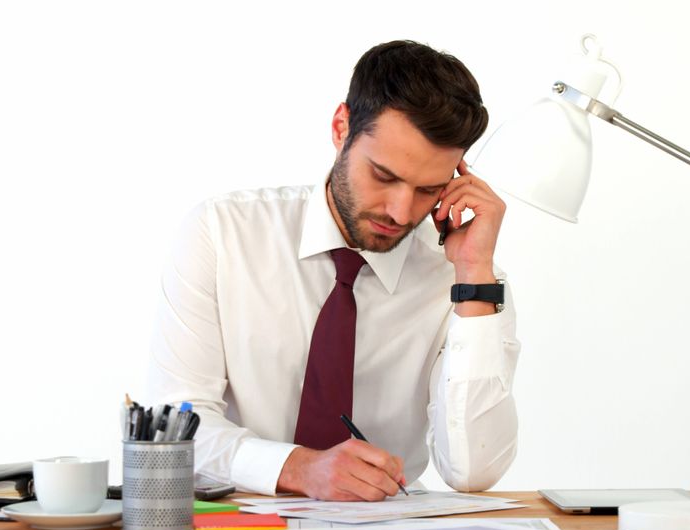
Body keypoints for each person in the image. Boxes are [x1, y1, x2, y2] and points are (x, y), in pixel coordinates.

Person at [147, 40, 519, 501]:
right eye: (383, 176)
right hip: (234, 528)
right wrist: (300, 469)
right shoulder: (222, 234)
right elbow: (172, 429)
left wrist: (474, 275)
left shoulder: (467, 281)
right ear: (341, 127)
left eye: (429, 189)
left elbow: (472, 472)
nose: (401, 212)